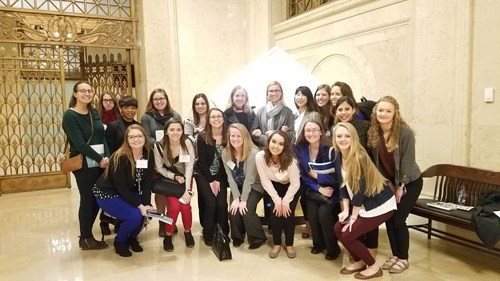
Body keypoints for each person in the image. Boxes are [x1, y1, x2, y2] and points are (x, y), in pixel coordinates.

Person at [332, 122, 396, 279]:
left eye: (347, 136)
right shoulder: (338, 155)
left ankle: (374, 267)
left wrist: (353, 216)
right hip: (362, 205)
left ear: (353, 138)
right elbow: (342, 185)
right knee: (337, 228)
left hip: (380, 205)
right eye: (339, 136)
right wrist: (345, 210)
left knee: (347, 235)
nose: (343, 139)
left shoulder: (359, 157)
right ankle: (359, 261)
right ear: (334, 138)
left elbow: (360, 191)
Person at [367, 96, 423, 274]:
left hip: (410, 182)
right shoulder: (374, 131)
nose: (383, 114)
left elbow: (407, 161)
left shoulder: (404, 133)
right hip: (390, 182)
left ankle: (404, 258)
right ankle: (395, 255)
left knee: (399, 220)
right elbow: (377, 163)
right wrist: (388, 184)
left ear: (395, 113)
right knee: (389, 219)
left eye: (388, 111)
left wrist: (401, 186)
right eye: (380, 110)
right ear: (375, 111)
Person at [93, 124, 156, 257]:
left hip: (129, 191)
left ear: (145, 137)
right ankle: (120, 241)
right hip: (108, 193)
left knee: (147, 213)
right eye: (131, 137)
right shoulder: (120, 156)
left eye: (139, 136)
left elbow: (147, 182)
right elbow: (121, 186)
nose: (136, 139)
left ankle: (131, 237)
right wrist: (139, 205)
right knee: (135, 216)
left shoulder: (148, 154)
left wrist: (146, 204)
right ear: (126, 139)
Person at [62, 81, 110, 250]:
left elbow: (101, 136)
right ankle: (86, 237)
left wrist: (107, 157)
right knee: (87, 199)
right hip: (83, 164)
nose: (87, 94)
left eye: (89, 91)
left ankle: (86, 236)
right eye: (82, 91)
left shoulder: (93, 111)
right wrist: (99, 159)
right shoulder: (70, 115)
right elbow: (80, 144)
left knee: (98, 198)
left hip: (100, 162)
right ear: (75, 94)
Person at [333, 95, 377, 259]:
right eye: (340, 109)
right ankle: (357, 248)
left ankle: (371, 250)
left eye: (347, 109)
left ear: (354, 110)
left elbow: (372, 151)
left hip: (364, 172)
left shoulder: (364, 126)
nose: (344, 112)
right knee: (353, 214)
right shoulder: (336, 128)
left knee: (367, 214)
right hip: (348, 174)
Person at [294, 119, 341, 260]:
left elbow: (339, 176)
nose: (311, 133)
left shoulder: (331, 150)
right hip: (312, 190)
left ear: (321, 132)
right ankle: (318, 244)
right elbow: (304, 175)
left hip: (331, 191)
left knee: (324, 215)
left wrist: (320, 178)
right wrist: (318, 187)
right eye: (308, 130)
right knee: (312, 215)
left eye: (315, 130)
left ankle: (333, 248)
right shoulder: (301, 149)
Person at [140, 88, 182, 236]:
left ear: (166, 100)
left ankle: (171, 220)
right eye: (156, 99)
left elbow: (179, 134)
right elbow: (146, 137)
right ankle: (161, 221)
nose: (159, 101)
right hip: (155, 157)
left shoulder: (175, 115)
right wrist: (162, 145)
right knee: (159, 190)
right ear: (152, 101)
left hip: (173, 158)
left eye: (161, 99)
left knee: (171, 189)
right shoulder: (146, 117)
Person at [255, 130, 301, 259]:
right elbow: (265, 180)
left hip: (291, 186)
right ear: (268, 142)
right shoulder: (260, 156)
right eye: (273, 142)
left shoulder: (291, 160)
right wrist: (277, 201)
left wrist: (285, 202)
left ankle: (289, 244)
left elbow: (295, 184)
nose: (276, 146)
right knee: (275, 212)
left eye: (281, 144)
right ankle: (276, 243)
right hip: (273, 185)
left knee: (287, 213)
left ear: (285, 147)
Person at [222, 123, 267, 249]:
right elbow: (229, 177)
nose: (235, 139)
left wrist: (243, 200)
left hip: (254, 186)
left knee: (246, 209)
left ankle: (258, 237)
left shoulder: (254, 153)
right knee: (233, 209)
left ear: (245, 137)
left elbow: (250, 179)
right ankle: (238, 236)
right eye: (232, 136)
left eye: (238, 136)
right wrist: (236, 198)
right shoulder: (225, 153)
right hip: (237, 186)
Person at [100, 96, 140, 235]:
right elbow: (109, 148)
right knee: (114, 193)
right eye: (126, 107)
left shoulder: (138, 126)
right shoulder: (113, 126)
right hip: (116, 166)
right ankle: (104, 221)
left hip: (132, 167)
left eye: (133, 107)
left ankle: (121, 221)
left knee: (125, 195)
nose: (130, 110)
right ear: (121, 109)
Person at [154, 120, 196, 252]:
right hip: (171, 181)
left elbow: (190, 166)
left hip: (186, 179)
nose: (175, 132)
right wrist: (173, 176)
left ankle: (188, 232)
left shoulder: (188, 142)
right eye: (172, 130)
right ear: (166, 131)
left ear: (183, 131)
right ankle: (168, 235)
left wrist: (187, 189)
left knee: (185, 206)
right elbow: (159, 168)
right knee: (173, 207)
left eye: (179, 129)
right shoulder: (159, 146)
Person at [194, 108, 230, 246]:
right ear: (208, 120)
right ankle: (208, 233)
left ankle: (223, 232)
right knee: (211, 203)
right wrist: (211, 180)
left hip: (221, 175)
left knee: (221, 203)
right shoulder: (202, 137)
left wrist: (217, 179)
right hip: (203, 174)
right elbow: (202, 162)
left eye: (219, 116)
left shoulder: (228, 136)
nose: (216, 119)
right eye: (213, 117)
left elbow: (227, 162)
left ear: (223, 119)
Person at [293, 85, 319, 239]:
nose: (299, 97)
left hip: (308, 155)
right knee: (303, 193)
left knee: (310, 193)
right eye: (297, 94)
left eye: (303, 94)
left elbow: (314, 134)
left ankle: (312, 226)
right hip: (295, 157)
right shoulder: (294, 114)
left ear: (308, 97)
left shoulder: (314, 114)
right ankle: (308, 223)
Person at [184, 93, 210, 228]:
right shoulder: (189, 121)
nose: (200, 106)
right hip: (197, 163)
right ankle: (205, 223)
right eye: (197, 104)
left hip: (213, 161)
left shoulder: (213, 118)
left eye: (202, 103)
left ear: (207, 104)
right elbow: (187, 142)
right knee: (203, 194)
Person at [251, 81, 294, 148]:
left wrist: (275, 133)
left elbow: (291, 135)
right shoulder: (260, 111)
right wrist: (266, 140)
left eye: (277, 90)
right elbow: (253, 133)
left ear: (281, 93)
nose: (274, 93)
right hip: (263, 150)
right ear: (267, 94)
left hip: (281, 151)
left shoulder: (288, 112)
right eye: (271, 91)